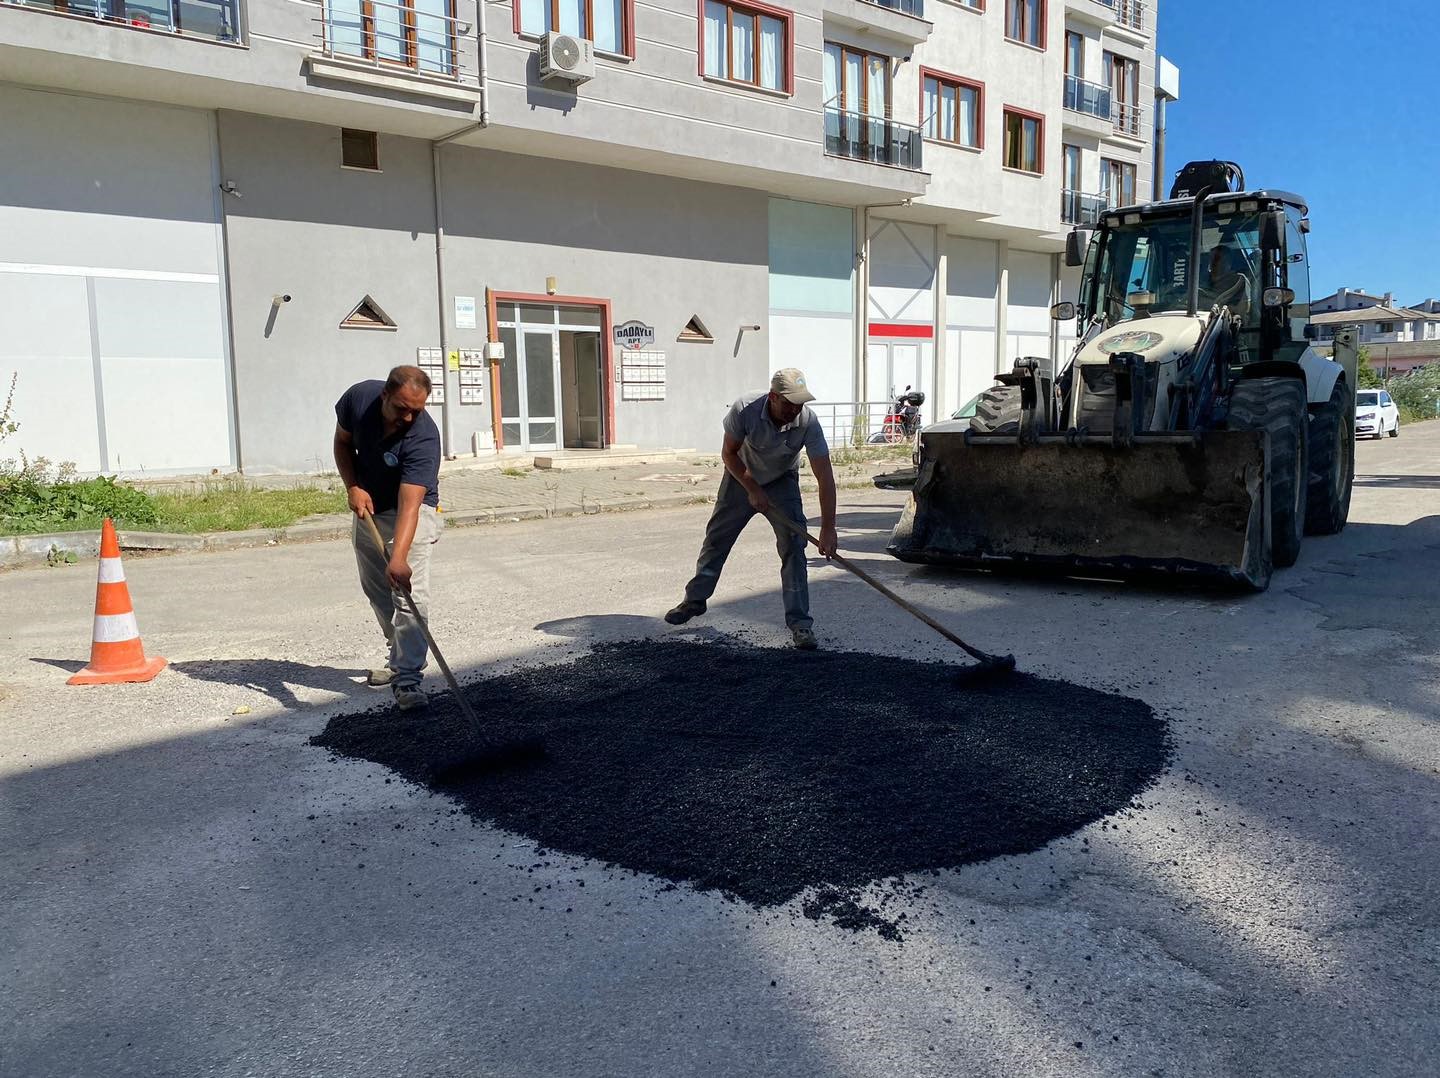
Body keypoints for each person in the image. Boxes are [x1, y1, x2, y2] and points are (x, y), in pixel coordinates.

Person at [664, 368, 838, 650]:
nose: (795, 410)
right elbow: (728, 454)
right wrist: (753, 490)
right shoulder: (744, 409)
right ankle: (695, 600)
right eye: (789, 403)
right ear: (773, 397)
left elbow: (825, 476)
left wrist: (829, 528)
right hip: (740, 478)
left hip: (782, 481)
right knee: (717, 540)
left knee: (794, 547)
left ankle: (800, 624)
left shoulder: (808, 421)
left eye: (800, 404)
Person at [333, 365, 442, 710]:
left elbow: (410, 505)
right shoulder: (358, 399)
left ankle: (408, 680)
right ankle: (401, 657)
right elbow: (342, 442)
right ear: (384, 395)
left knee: (409, 597)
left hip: (413, 510)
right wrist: (353, 486)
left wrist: (399, 558)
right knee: (377, 590)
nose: (409, 417)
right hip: (370, 507)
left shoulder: (423, 436)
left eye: (417, 410)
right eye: (401, 408)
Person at [1202, 244, 1252, 318]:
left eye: (1217, 259)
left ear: (1228, 262)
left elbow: (1241, 310)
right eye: (1211, 259)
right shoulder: (1200, 282)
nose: (1214, 263)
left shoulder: (1239, 282)